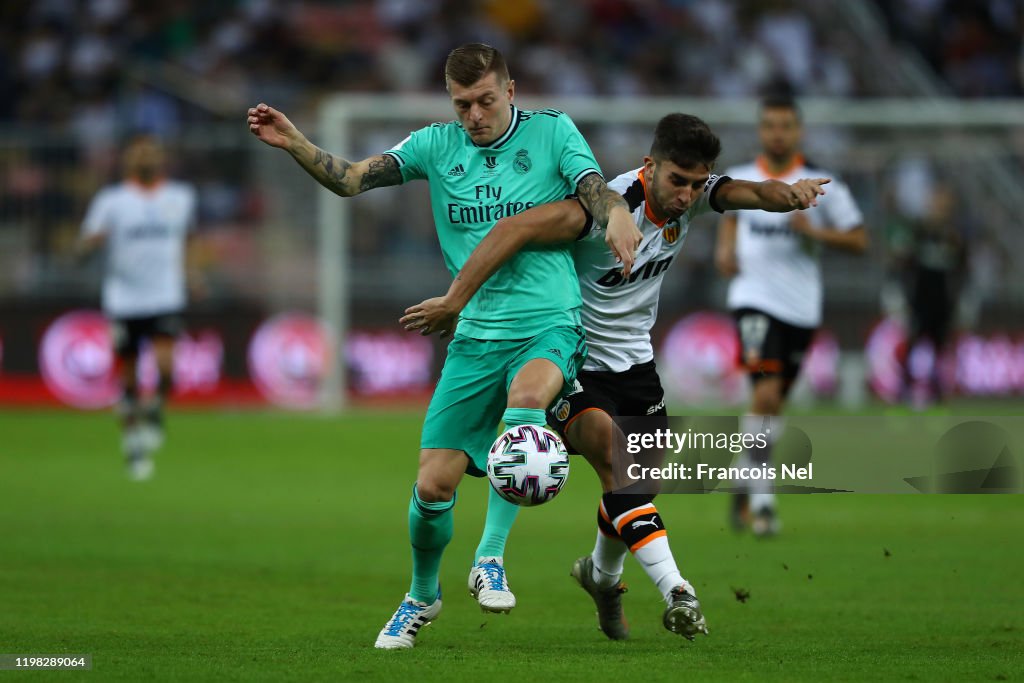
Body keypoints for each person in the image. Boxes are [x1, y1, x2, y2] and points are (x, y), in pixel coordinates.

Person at [247, 43, 639, 650]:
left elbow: (593, 189)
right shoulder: (435, 145)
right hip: (474, 338)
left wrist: (615, 213)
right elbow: (352, 180)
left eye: (486, 100)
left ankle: (489, 558)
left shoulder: (553, 132)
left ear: (511, 92)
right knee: (433, 487)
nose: (475, 114)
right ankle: (422, 597)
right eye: (463, 104)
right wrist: (297, 142)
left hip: (548, 322)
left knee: (528, 402)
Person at [403, 112, 828, 640]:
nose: (687, 195)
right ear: (650, 167)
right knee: (617, 463)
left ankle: (602, 577)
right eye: (678, 181)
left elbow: (749, 192)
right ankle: (678, 590)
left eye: (698, 184)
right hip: (572, 361)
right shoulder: (603, 207)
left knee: (635, 487)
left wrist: (788, 194)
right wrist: (459, 300)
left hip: (637, 366)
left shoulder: (692, 197)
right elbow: (514, 228)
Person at [714, 94, 868, 535]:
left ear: (797, 131)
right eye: (770, 126)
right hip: (752, 300)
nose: (777, 134)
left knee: (774, 404)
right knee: (764, 394)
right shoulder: (741, 178)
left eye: (785, 126)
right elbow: (729, 216)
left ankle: (745, 479)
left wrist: (815, 232)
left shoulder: (823, 183)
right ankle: (764, 504)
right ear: (761, 131)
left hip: (801, 308)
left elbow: (860, 241)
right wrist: (725, 250)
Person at [77, 134, 200, 481]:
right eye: (139, 152)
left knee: (165, 367)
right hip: (124, 300)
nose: (145, 157)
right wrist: (90, 244)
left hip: (165, 295)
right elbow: (81, 250)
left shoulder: (181, 197)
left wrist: (193, 274)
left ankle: (156, 407)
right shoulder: (111, 201)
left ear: (161, 159)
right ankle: (133, 443)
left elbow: (189, 240)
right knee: (128, 379)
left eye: (152, 151)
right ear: (128, 161)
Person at [895, 184, 966, 406]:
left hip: (943, 302)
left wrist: (963, 300)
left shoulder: (954, 237)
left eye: (944, 206)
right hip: (919, 300)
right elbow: (903, 265)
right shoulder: (918, 233)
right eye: (936, 205)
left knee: (940, 347)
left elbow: (963, 270)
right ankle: (904, 390)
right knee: (914, 343)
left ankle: (936, 392)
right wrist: (899, 295)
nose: (939, 209)